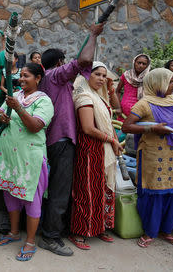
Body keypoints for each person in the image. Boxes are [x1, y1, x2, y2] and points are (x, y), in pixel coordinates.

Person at [37, 23, 104, 257]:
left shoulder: (50, 79)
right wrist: (93, 34)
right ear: (58, 63)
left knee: (55, 189)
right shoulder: (55, 76)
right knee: (59, 190)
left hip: (55, 140)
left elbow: (82, 64)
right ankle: (50, 237)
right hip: (61, 140)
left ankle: (52, 230)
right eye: (63, 61)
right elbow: (83, 62)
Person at [0, 63, 54, 261]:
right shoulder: (14, 96)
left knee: (31, 199)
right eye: (21, 76)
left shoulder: (44, 101)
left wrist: (17, 109)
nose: (22, 79)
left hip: (30, 158)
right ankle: (14, 232)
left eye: (27, 76)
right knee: (11, 195)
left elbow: (35, 126)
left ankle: (30, 241)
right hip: (10, 156)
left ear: (38, 78)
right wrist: (2, 118)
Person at [122, 68, 173, 248]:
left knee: (172, 193)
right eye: (169, 82)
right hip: (153, 156)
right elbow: (126, 127)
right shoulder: (144, 104)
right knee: (154, 194)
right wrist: (151, 128)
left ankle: (166, 231)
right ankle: (149, 232)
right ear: (157, 83)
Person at [69, 62, 122, 250]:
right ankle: (80, 231)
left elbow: (111, 118)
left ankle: (99, 227)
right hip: (89, 149)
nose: (100, 79)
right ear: (86, 75)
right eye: (97, 74)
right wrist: (112, 140)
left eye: (103, 76)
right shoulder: (83, 96)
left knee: (102, 189)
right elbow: (88, 128)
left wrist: (114, 139)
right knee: (86, 191)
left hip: (102, 147)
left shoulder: (99, 97)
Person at [115, 54, 151, 120]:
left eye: (144, 64)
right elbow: (117, 91)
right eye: (139, 63)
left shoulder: (149, 78)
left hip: (141, 112)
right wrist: (118, 107)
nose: (141, 66)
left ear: (147, 66)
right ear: (134, 62)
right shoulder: (126, 75)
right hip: (123, 112)